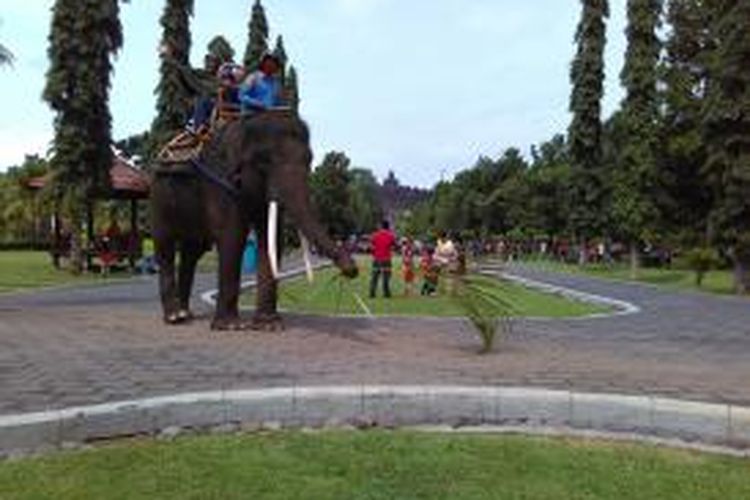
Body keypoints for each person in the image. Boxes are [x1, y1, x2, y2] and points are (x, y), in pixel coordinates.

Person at [369, 220, 396, 299]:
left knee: (374, 276)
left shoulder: (375, 235)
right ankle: (386, 293)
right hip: (386, 259)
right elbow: (394, 245)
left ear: (381, 226)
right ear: (388, 227)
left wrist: (374, 253)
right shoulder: (391, 235)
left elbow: (371, 246)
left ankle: (372, 293)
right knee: (386, 277)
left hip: (376, 258)